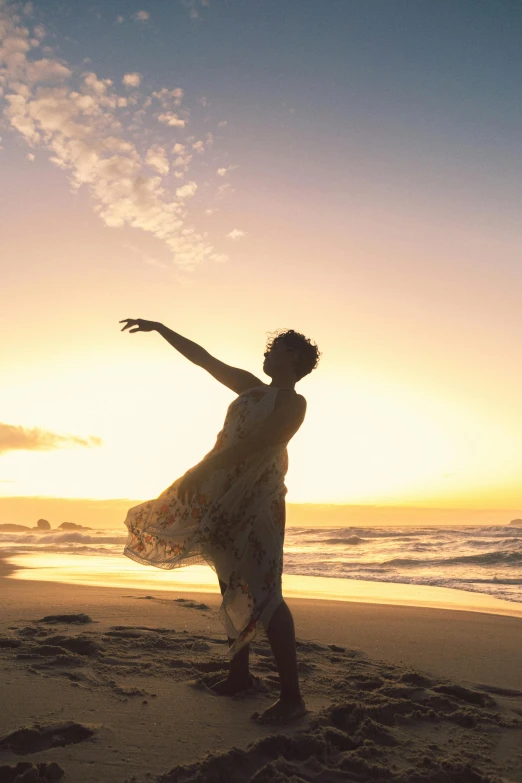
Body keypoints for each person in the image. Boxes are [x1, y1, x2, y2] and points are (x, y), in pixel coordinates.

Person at [119, 318, 321, 723]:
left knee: (268, 590)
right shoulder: (250, 386)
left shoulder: (293, 402)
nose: (267, 352)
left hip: (259, 500)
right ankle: (239, 675)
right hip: (222, 497)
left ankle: (292, 697)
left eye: (277, 347)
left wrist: (200, 469)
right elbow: (203, 359)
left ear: (295, 358)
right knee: (231, 582)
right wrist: (160, 328)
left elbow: (260, 444)